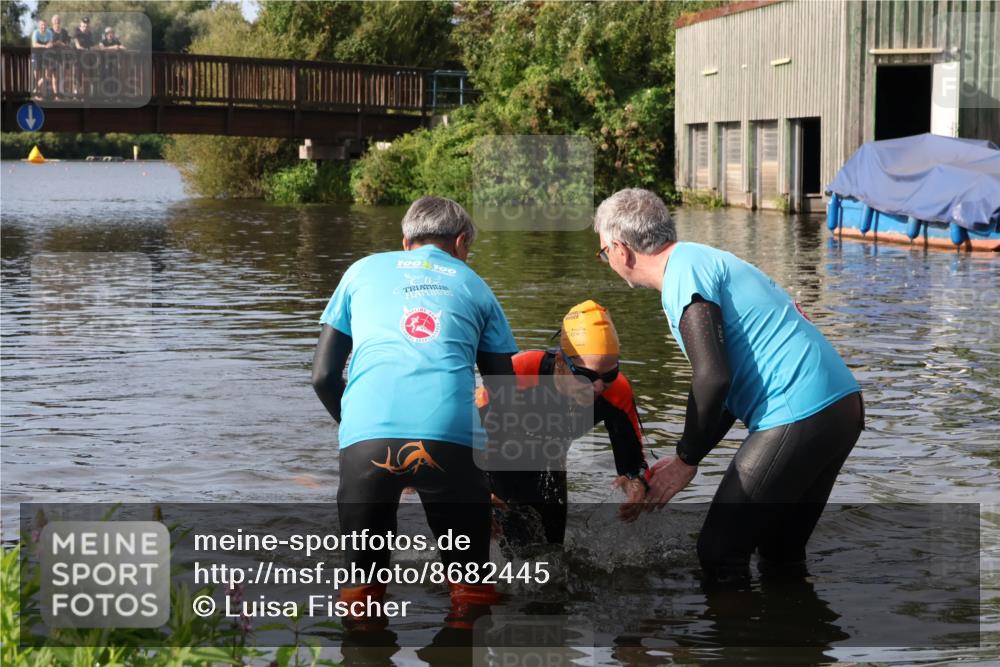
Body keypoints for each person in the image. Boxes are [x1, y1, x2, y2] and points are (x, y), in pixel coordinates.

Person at [592, 188, 863, 586]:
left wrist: (686, 458)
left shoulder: (683, 274)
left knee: (719, 551)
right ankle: (798, 643)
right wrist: (690, 454)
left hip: (799, 411)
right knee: (779, 551)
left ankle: (729, 647)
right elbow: (727, 386)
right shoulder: (699, 259)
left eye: (603, 253)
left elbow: (712, 378)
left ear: (621, 249)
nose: (608, 260)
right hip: (840, 407)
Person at [312, 196, 518, 631]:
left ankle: (365, 650)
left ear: (405, 242)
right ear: (461, 242)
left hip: (366, 437)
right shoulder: (475, 284)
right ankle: (462, 638)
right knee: (471, 587)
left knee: (362, 589)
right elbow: (505, 390)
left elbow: (324, 377)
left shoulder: (361, 271)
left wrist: (360, 433)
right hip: (450, 437)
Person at [478, 300, 649, 552]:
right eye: (587, 376)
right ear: (560, 361)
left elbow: (632, 465)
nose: (598, 387)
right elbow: (463, 434)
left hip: (551, 473)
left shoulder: (617, 392)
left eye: (609, 375)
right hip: (496, 471)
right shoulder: (519, 373)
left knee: (552, 559)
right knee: (501, 560)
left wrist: (636, 486)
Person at [30, 19, 55, 98]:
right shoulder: (36, 32)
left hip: (46, 55)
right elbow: (34, 44)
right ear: (39, 26)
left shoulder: (49, 32)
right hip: (36, 55)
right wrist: (44, 46)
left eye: (44, 25)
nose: (43, 26)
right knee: (37, 76)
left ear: (47, 26)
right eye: (41, 25)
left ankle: (36, 90)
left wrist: (48, 45)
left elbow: (50, 43)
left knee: (47, 75)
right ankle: (39, 95)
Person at [49, 16, 71, 99]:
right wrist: (55, 43)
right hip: (53, 56)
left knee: (66, 75)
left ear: (60, 21)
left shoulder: (64, 31)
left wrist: (63, 44)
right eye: (55, 20)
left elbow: (68, 43)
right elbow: (48, 43)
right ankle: (56, 95)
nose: (57, 21)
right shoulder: (49, 31)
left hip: (64, 56)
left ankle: (64, 93)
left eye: (58, 20)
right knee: (55, 76)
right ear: (52, 22)